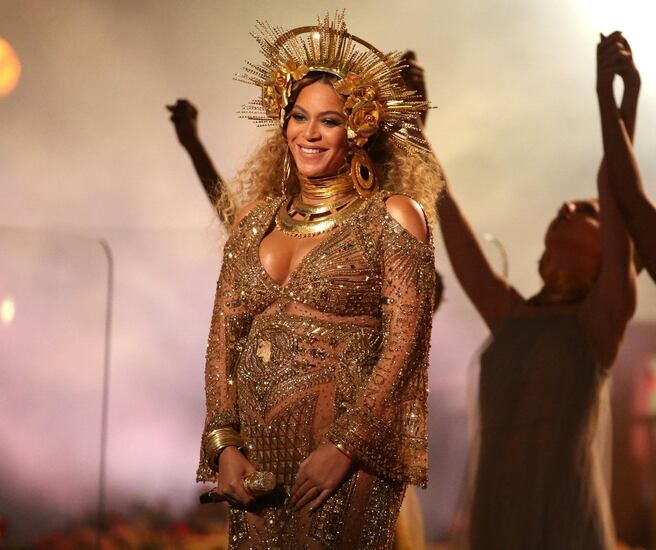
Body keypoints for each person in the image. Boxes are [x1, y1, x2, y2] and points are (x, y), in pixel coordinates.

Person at [195, 13, 442, 549]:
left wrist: (345, 447)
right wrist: (224, 444)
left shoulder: (392, 217)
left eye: (328, 121)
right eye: (299, 117)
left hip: (349, 458)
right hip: (255, 459)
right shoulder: (253, 221)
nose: (309, 133)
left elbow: (404, 348)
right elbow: (222, 344)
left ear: (358, 127)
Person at [432, 33, 637, 549]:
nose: (566, 209)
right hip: (497, 524)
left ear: (611, 246)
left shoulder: (601, 319)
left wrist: (609, 96)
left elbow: (617, 191)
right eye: (566, 206)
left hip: (564, 524)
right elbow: (447, 213)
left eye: (585, 211)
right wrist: (415, 131)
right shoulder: (509, 313)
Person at [597, 33, 654, 282]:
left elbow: (624, 195)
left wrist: (613, 92)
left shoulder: (606, 307)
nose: (567, 209)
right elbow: (624, 194)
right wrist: (624, 92)